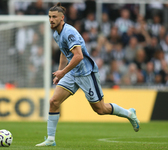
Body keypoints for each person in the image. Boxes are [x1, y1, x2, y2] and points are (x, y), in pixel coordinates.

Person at [36, 3, 140, 147]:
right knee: (53, 102)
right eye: (49, 17)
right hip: (72, 72)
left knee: (100, 109)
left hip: (86, 73)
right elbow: (64, 52)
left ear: (62, 18)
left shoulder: (69, 32)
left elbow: (78, 56)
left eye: (54, 17)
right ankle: (51, 139)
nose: (51, 20)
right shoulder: (56, 33)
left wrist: (62, 71)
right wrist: (60, 73)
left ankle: (129, 114)